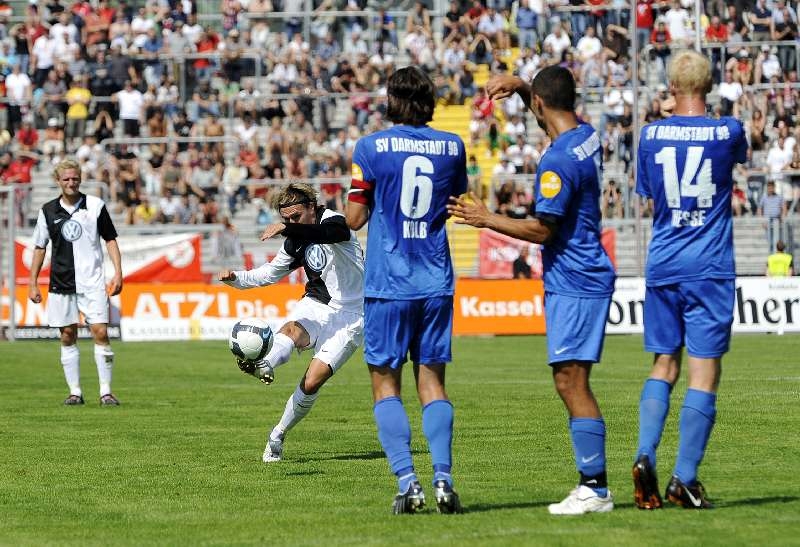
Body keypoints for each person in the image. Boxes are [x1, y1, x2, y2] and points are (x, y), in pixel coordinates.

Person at [448, 65, 616, 515]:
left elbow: (543, 230)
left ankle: (595, 488)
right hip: (585, 273)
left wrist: (487, 219)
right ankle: (593, 486)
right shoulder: (586, 135)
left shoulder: (557, 160)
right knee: (569, 378)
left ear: (540, 103)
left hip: (575, 279)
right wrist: (524, 87)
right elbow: (549, 116)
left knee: (570, 380)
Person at [345, 66, 467, 515]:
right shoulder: (452, 146)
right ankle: (444, 481)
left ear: (391, 100)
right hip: (435, 280)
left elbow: (355, 219)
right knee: (432, 384)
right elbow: (452, 204)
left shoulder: (371, 147)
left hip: (389, 283)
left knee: (385, 386)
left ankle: (408, 483)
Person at [632, 49, 748, 510]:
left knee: (663, 364)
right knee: (704, 372)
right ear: (710, 85)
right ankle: (684, 478)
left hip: (664, 262)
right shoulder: (728, 130)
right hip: (709, 266)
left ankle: (644, 453)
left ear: (671, 88)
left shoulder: (650, 135)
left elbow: (649, 195)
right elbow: (737, 155)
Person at [218, 183, 364, 463]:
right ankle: (264, 365)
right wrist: (236, 278)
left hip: (352, 314)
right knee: (291, 329)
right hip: (317, 303)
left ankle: (277, 435)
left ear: (312, 207)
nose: (292, 223)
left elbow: (326, 234)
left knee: (312, 381)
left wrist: (288, 229)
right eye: (287, 219)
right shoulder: (296, 238)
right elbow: (269, 274)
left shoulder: (335, 222)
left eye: (296, 217)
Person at [28, 158, 123, 406]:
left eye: (75, 178)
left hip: (92, 282)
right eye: (66, 179)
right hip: (61, 283)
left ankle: (106, 392)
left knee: (100, 332)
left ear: (81, 179)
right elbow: (39, 247)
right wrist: (32, 282)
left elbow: (110, 240)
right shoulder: (48, 210)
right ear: (57, 181)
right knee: (67, 335)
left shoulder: (95, 206)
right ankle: (75, 392)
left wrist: (118, 273)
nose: (71, 183)